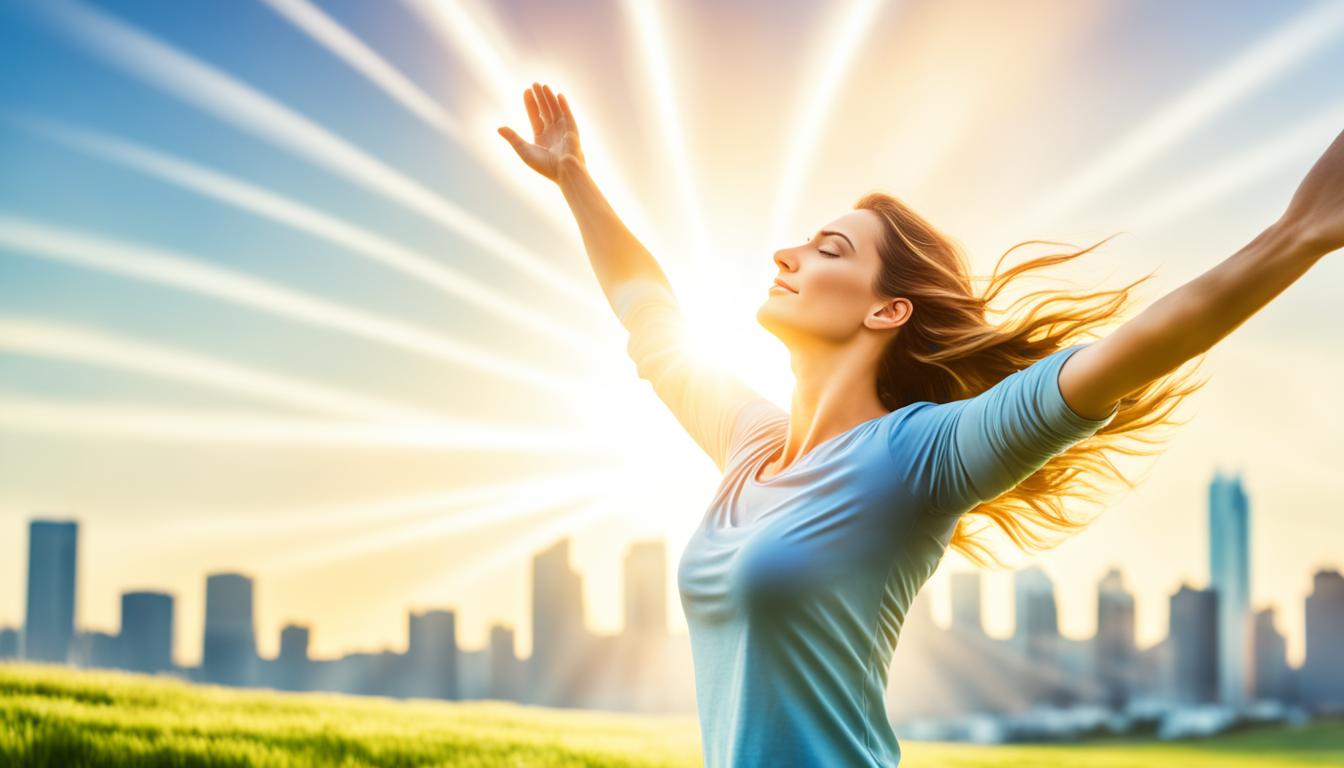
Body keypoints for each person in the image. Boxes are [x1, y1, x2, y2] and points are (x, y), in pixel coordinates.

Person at [499, 82, 1343, 766]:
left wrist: (1300, 235)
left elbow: (1131, 350)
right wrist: (574, 175)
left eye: (830, 250)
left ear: (886, 310)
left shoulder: (917, 456)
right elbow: (651, 316)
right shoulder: (748, 447)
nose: (786, 256)